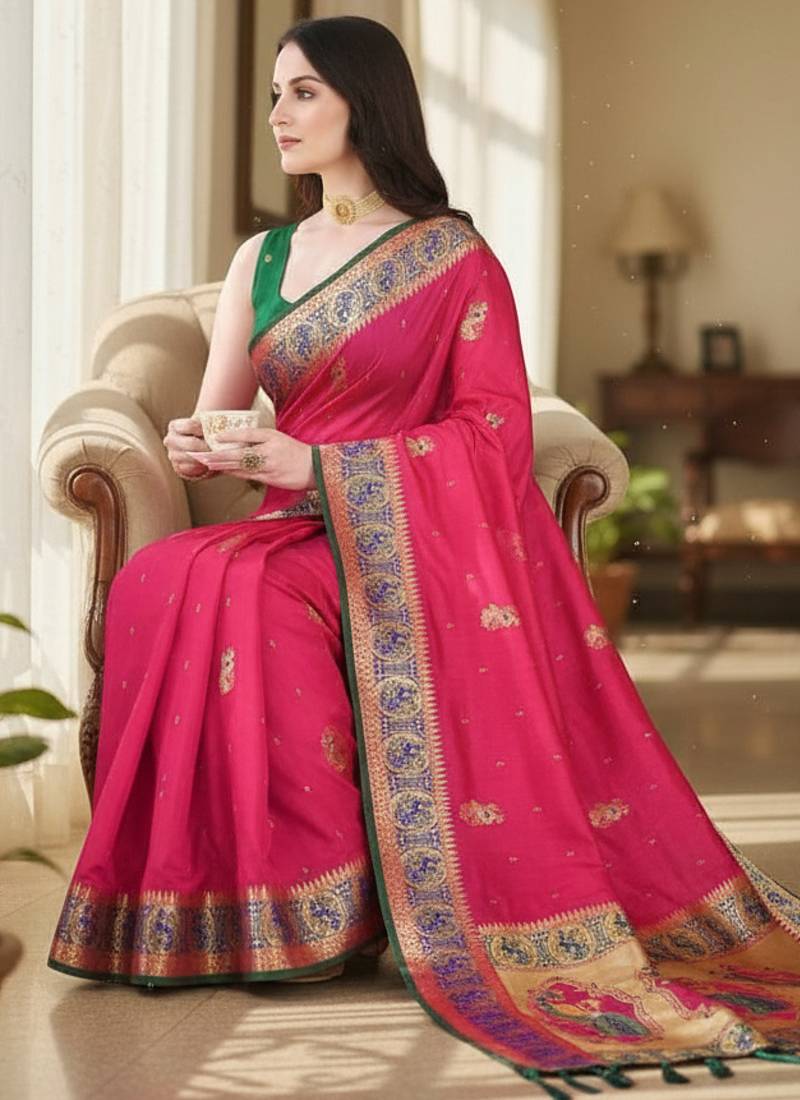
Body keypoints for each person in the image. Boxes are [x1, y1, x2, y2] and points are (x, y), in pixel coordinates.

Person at [47, 14, 800, 1095]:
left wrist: (318, 465)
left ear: (366, 101)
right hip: (292, 516)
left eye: (303, 92)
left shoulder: (454, 259)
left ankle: (330, 909)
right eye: (273, 93)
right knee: (171, 572)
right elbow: (219, 421)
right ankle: (215, 908)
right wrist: (200, 443)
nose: (278, 114)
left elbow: (494, 435)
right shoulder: (262, 258)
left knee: (257, 596)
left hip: (411, 538)